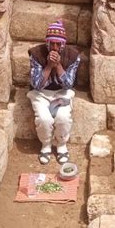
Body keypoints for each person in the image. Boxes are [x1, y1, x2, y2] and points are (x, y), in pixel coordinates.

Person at [27, 20, 81, 165]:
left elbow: (69, 84)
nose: (55, 48)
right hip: (41, 93)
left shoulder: (73, 55)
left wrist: (57, 66)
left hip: (62, 92)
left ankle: (62, 145)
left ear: (63, 44)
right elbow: (37, 85)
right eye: (52, 44)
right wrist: (49, 66)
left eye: (58, 44)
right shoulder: (36, 54)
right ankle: (46, 145)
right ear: (47, 43)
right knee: (44, 119)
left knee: (63, 117)